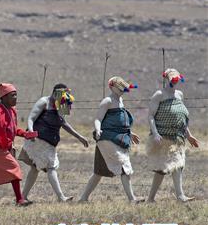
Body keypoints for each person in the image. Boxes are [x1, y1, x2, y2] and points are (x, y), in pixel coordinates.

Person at [19, 84, 89, 202]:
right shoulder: (44, 102)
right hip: (37, 140)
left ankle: (22, 196)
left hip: (50, 143)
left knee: (35, 168)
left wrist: (79, 137)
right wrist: (31, 131)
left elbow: (63, 123)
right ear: (55, 93)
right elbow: (31, 118)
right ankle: (61, 197)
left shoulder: (61, 104)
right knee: (51, 167)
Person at [78, 76, 142, 203]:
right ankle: (132, 199)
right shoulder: (107, 101)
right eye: (120, 88)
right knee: (124, 166)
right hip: (107, 139)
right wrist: (98, 129)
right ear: (112, 87)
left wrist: (130, 133)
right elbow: (98, 119)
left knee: (99, 172)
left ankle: (83, 198)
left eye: (123, 88)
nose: (122, 91)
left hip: (117, 138)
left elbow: (118, 123)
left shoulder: (121, 100)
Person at [146, 69, 200, 202]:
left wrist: (189, 136)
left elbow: (182, 119)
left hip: (178, 137)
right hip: (163, 138)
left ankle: (153, 198)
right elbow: (151, 116)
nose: (175, 82)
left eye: (176, 80)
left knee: (170, 167)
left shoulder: (179, 95)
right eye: (173, 80)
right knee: (171, 166)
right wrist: (155, 133)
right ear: (167, 79)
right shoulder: (159, 95)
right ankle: (178, 196)